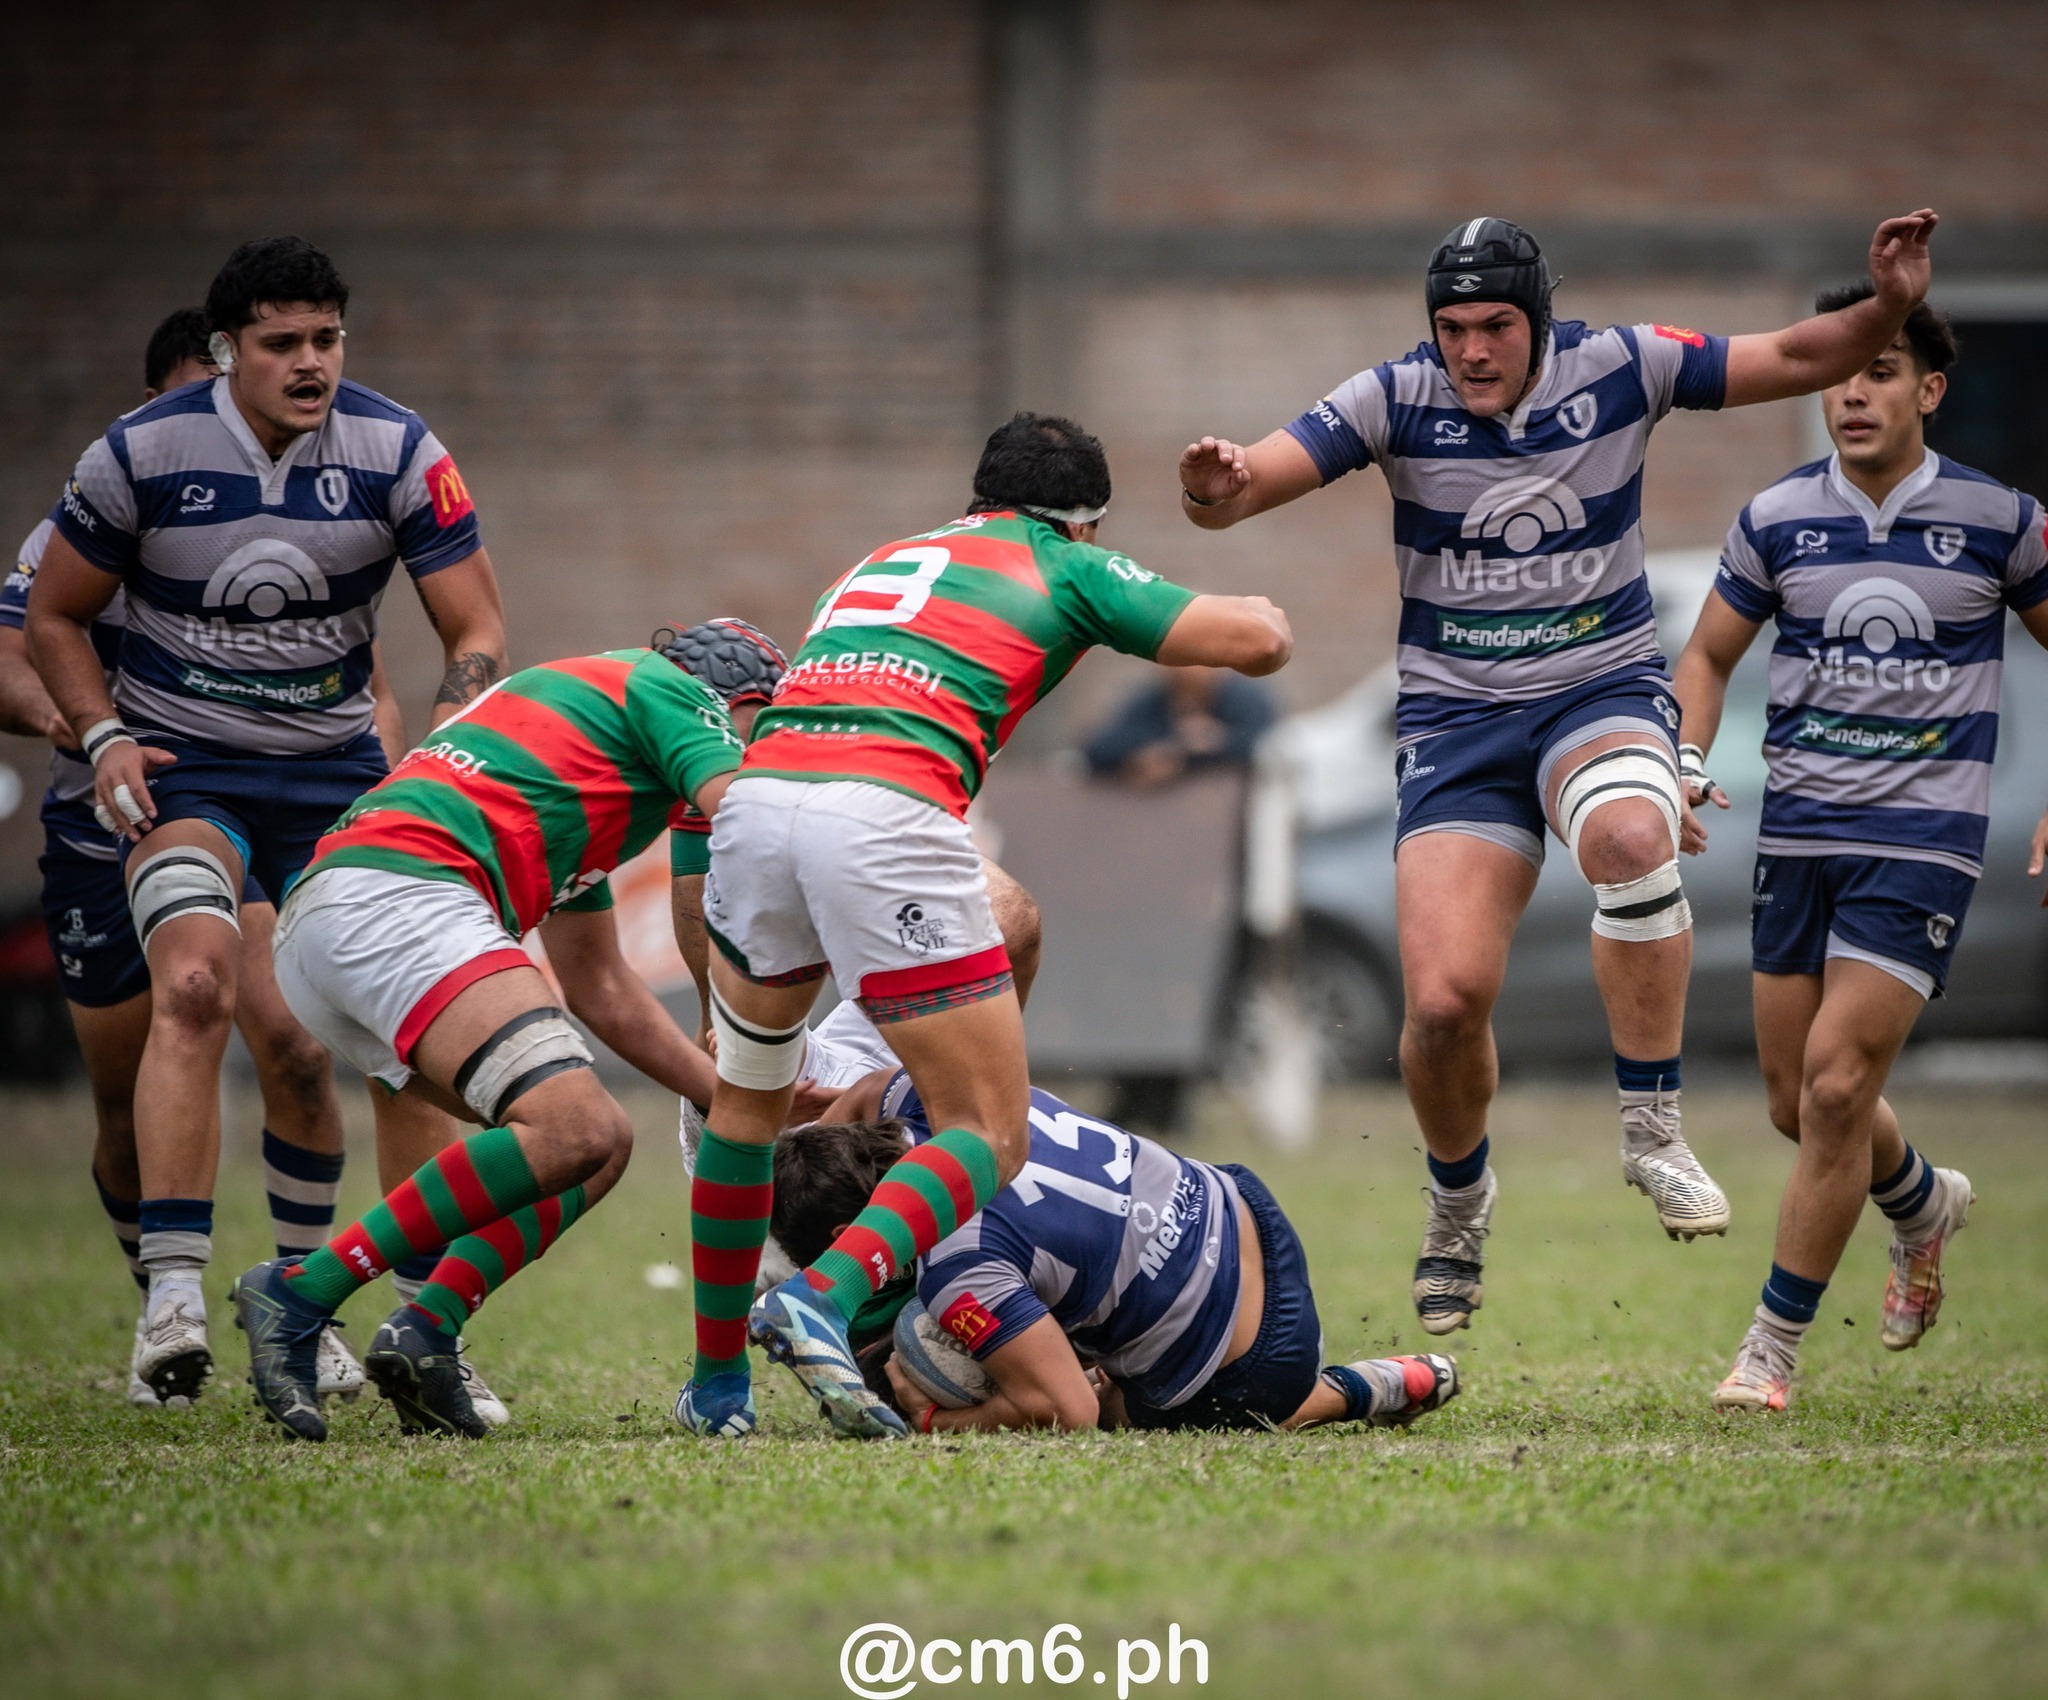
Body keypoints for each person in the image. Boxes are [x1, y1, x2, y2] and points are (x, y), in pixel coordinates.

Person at [1176, 210, 1941, 1337]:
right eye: (1450, 329)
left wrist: (1882, 308)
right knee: (1440, 1004)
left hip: (1598, 693)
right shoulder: (1395, 395)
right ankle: (1456, 1202)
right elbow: (1242, 493)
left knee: (1631, 839)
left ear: (1536, 321)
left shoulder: (1622, 366)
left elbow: (1787, 358)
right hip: (1455, 721)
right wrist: (1215, 484)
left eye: (1493, 326)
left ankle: (1650, 1128)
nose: (1471, 350)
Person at [680, 411, 1292, 1441]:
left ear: (977, 497)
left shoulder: (884, 557)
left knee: (745, 1111)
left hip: (757, 797)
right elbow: (1258, 641)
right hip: (882, 810)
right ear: (1084, 523)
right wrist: (1242, 586)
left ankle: (714, 1388)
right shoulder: (1062, 560)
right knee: (986, 1133)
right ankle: (819, 1299)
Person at [25, 238, 508, 1408]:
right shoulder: (139, 454)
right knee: (193, 986)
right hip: (188, 777)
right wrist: (102, 737)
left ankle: (328, 1301)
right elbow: (50, 617)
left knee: (325, 1044)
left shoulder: (399, 449)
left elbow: (476, 631)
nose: (311, 362)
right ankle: (173, 1296)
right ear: (228, 350)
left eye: (328, 338)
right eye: (284, 342)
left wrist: (446, 746)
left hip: (338, 778)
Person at [1672, 284, 2048, 1411]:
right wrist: (1680, 763)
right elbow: (1701, 658)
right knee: (1796, 1101)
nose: (1851, 389)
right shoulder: (1775, 515)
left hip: (1922, 842)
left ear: (1926, 391)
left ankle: (1768, 1351)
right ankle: (1921, 1199)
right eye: (1839, 370)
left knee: (1838, 1088)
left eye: (1879, 369)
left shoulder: (1999, 519)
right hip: (1795, 837)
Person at [231, 638, 750, 1440]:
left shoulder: (589, 768)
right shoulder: (669, 688)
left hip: (341, 918)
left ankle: (426, 1330)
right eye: (762, 727)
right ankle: (298, 1292)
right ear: (729, 702)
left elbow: (602, 989)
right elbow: (749, 817)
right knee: (574, 1125)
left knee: (597, 1145)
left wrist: (731, 1104)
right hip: (400, 897)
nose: (757, 749)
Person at [770, 1046, 1459, 1436]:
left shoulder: (959, 1269)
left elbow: (1065, 1413)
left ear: (847, 1236)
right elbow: (868, 1089)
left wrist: (934, 1423)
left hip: (1259, 1358)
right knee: (1066, 1288)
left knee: (1106, 1408)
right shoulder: (943, 1107)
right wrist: (817, 1139)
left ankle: (1352, 1390)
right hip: (1244, 1205)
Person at [1082, 664, 1276, 788]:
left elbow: (1263, 746)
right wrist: (1153, 753)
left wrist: (1211, 745)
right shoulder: (1151, 700)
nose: (1181, 669)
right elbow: (1098, 748)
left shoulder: (1246, 699)